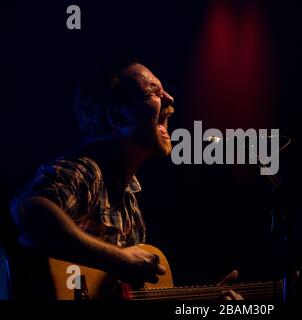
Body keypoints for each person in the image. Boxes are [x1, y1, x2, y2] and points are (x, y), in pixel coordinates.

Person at [10, 58, 242, 300]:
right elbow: (29, 213)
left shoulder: (128, 195)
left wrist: (202, 303)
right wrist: (118, 258)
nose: (170, 99)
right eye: (154, 92)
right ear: (117, 118)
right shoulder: (88, 170)